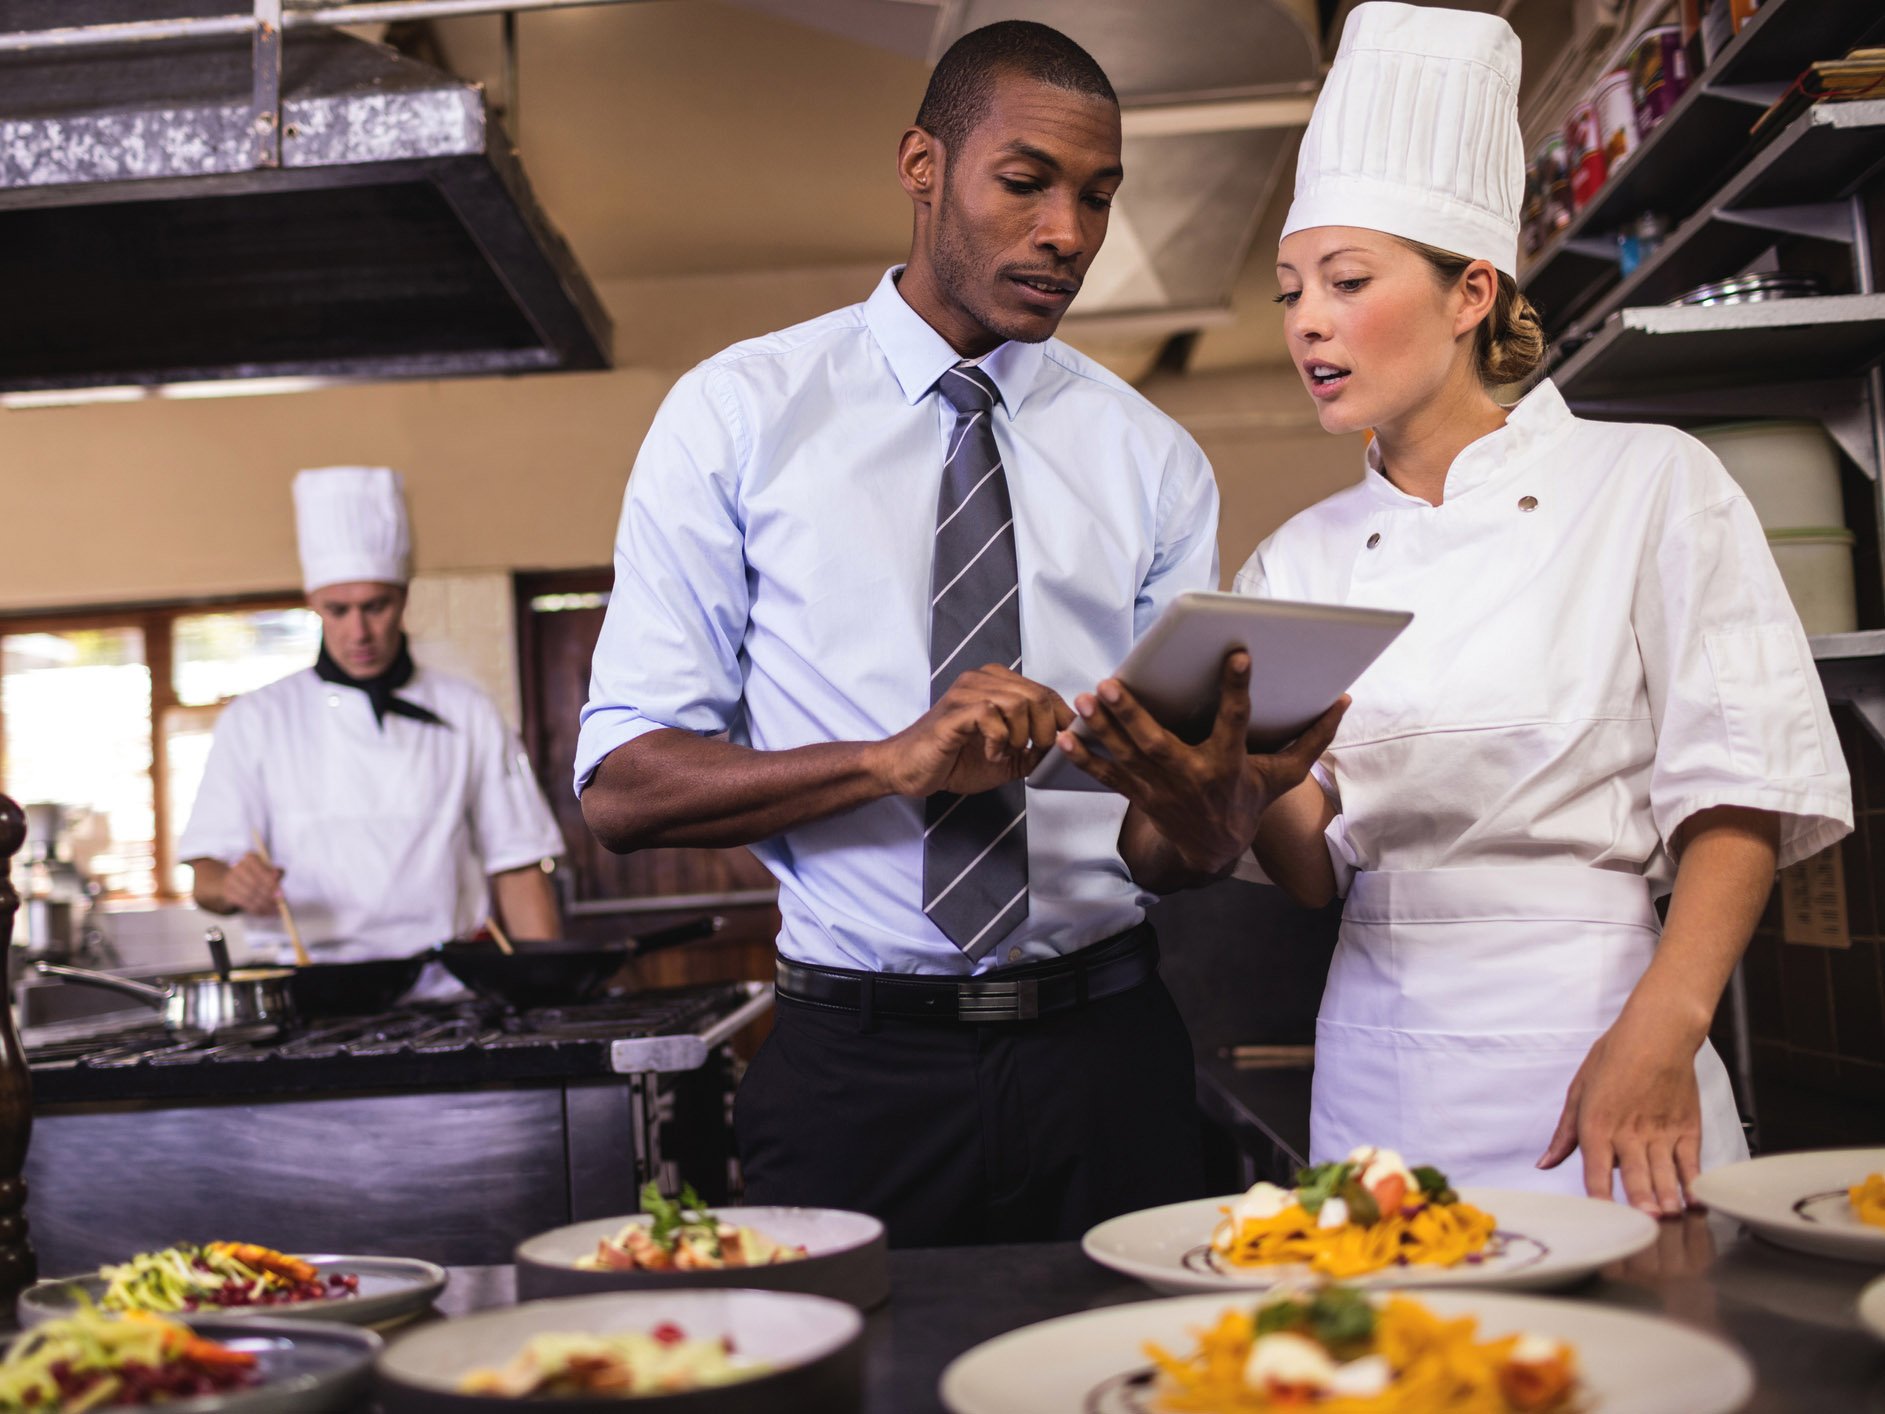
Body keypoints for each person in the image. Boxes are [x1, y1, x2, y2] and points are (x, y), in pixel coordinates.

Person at [1056, 2, 1852, 1216]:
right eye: (1288, 292)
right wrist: (1229, 788)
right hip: (1383, 1071)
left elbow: (1737, 785)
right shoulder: (1296, 561)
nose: (1306, 321)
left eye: (1346, 281)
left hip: (1607, 1043)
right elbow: (1312, 868)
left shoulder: (1647, 486)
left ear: (1471, 291)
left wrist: (1663, 1028)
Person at [576, 20, 1341, 1246]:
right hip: (849, 1072)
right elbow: (621, 789)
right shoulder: (738, 414)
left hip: (1108, 1057)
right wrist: (892, 761)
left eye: (1098, 198)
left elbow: (1160, 851)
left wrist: (1216, 809)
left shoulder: (1151, 461)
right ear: (921, 164)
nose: (1068, 235)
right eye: (1026, 182)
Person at [182, 466, 565, 970]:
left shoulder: (468, 710)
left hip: (445, 983)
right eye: (337, 610)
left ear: (404, 597)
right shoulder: (255, 719)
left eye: (376, 606)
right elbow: (206, 878)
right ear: (313, 605)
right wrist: (232, 886)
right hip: (309, 984)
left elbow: (517, 865)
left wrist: (549, 988)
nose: (358, 631)